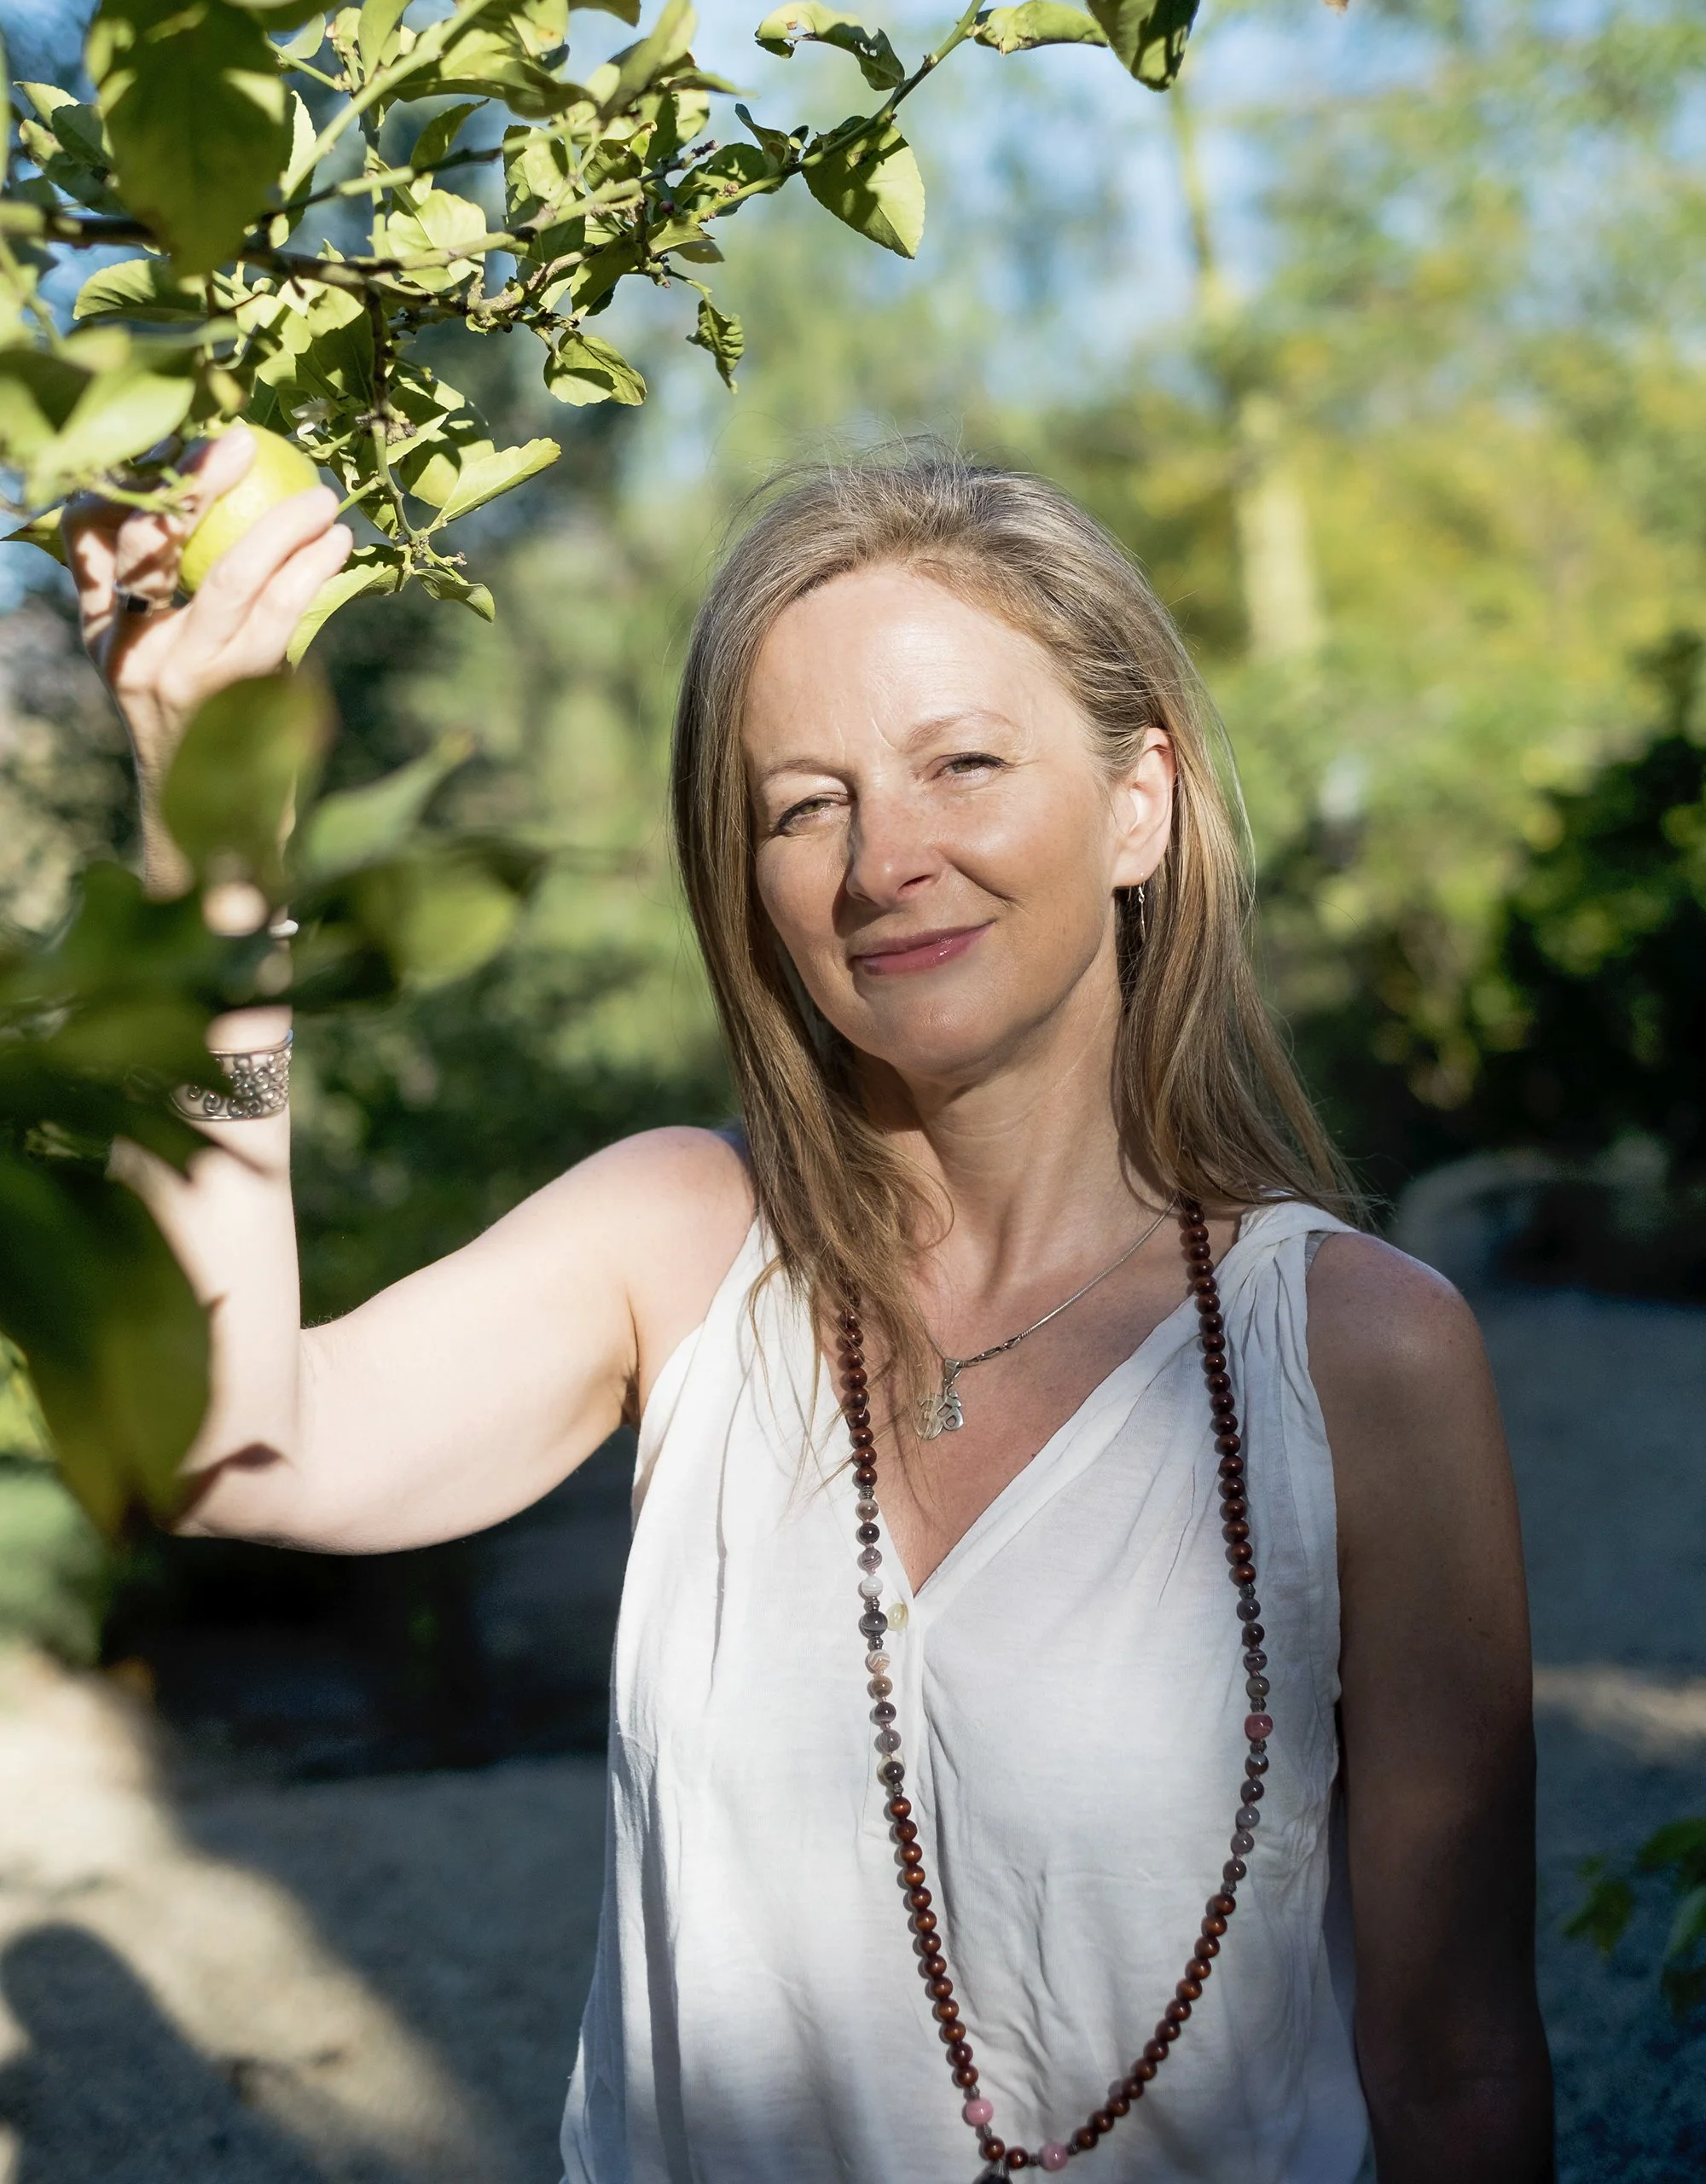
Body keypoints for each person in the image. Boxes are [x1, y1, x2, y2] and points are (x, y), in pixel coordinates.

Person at [68, 434, 1554, 2184]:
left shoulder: (1354, 1356)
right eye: (802, 803)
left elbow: (1454, 2070)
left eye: (962, 763)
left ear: (1136, 800)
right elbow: (225, 1449)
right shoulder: (682, 1245)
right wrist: (213, 863)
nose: (882, 861)